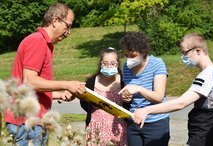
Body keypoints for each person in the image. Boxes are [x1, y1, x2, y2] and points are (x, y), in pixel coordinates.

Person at [4, 3, 86, 146]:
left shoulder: (43, 43)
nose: (69, 32)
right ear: (55, 20)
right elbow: (30, 82)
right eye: (68, 26)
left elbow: (32, 89)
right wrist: (67, 84)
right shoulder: (37, 41)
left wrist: (60, 94)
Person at [133, 32, 213, 146]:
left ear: (198, 50)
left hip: (203, 135)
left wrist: (146, 110)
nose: (183, 57)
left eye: (185, 53)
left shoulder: (207, 76)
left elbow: (181, 103)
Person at [119, 31, 170, 146]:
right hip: (134, 121)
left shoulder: (157, 64)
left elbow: (159, 97)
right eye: (126, 55)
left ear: (143, 53)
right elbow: (131, 94)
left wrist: (138, 89)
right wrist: (127, 97)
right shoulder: (126, 67)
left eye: (133, 56)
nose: (128, 59)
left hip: (156, 123)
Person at [80, 47, 127, 146]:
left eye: (113, 63)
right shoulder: (91, 82)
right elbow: (84, 103)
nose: (109, 66)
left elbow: (129, 105)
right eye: (105, 63)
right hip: (95, 128)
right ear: (100, 64)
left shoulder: (124, 82)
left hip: (118, 129)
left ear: (117, 64)